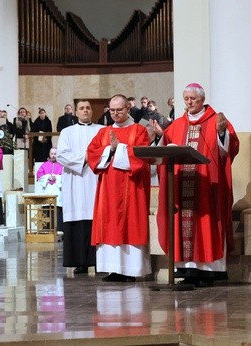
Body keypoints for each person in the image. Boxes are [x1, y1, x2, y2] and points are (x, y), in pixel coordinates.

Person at [155, 82, 240, 288]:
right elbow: (163, 151)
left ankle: (209, 271)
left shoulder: (216, 121)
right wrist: (159, 137)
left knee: (206, 225)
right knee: (183, 225)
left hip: (206, 187)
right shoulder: (176, 125)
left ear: (202, 99)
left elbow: (229, 150)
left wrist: (221, 133)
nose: (189, 102)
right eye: (186, 99)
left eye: (193, 98)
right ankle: (187, 270)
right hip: (181, 185)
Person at [87, 94, 151, 282]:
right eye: (112, 110)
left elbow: (143, 155)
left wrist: (120, 148)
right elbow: (92, 154)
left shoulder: (139, 131)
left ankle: (131, 270)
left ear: (128, 109)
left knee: (131, 222)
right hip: (108, 188)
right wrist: (111, 149)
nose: (115, 113)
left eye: (119, 110)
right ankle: (113, 269)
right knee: (109, 223)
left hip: (132, 187)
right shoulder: (103, 132)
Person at [57, 100, 103, 275]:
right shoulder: (67, 132)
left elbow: (106, 151)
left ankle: (100, 261)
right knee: (78, 219)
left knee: (96, 218)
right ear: (76, 112)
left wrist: (93, 158)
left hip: (96, 178)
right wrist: (84, 158)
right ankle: (80, 262)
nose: (85, 111)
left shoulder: (101, 130)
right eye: (82, 108)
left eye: (88, 108)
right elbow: (61, 154)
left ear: (92, 111)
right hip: (75, 179)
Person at [36, 147, 64, 233]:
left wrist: (57, 177)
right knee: (47, 209)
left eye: (55, 154)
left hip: (57, 191)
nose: (53, 156)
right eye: (52, 154)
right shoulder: (44, 165)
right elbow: (39, 176)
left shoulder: (61, 165)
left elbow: (65, 177)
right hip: (48, 190)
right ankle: (46, 230)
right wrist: (48, 177)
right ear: (49, 154)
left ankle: (59, 230)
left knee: (57, 210)